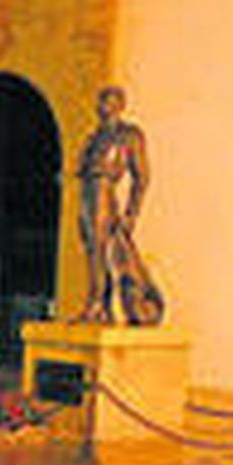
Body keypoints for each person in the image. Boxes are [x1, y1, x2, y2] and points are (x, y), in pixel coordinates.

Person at [75, 85, 162, 325]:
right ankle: (99, 305)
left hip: (104, 191)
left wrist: (131, 213)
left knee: (102, 249)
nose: (103, 106)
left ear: (120, 105)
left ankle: (100, 302)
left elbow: (141, 177)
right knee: (92, 249)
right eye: (101, 101)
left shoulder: (129, 135)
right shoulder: (94, 137)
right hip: (88, 191)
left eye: (109, 101)